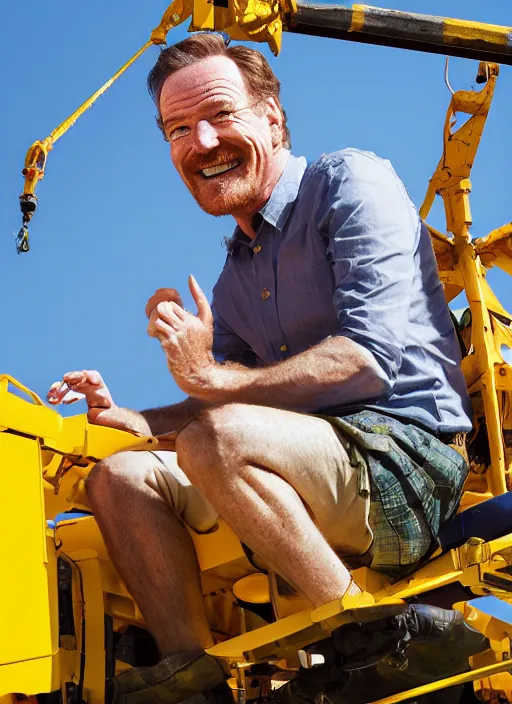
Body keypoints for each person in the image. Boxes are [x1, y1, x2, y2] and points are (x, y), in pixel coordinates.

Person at [48, 33, 475, 704]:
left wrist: (215, 384)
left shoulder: (349, 182)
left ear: (272, 118)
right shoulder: (235, 281)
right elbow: (228, 410)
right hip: (304, 467)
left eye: (221, 114)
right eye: (179, 129)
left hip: (405, 462)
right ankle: (195, 682)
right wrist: (132, 418)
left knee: (218, 438)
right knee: (120, 475)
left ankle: (371, 638)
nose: (204, 141)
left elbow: (369, 359)